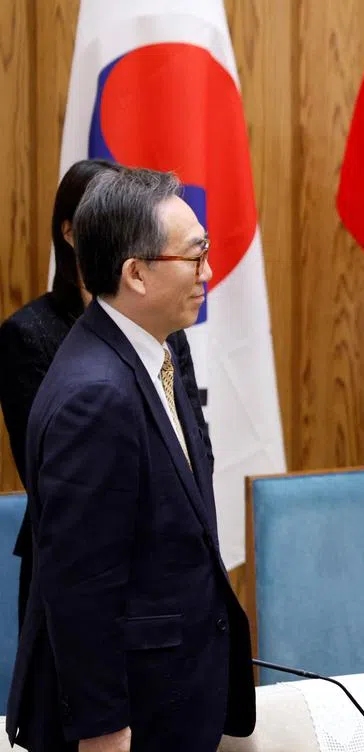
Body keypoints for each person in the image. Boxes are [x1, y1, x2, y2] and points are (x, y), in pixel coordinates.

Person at [5, 167, 253, 752]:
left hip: (173, 694)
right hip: (128, 723)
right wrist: (103, 727)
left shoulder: (155, 349)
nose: (209, 274)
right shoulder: (96, 392)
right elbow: (80, 581)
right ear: (135, 273)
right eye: (194, 259)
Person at [0, 159, 209, 629]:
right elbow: (57, 479)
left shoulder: (164, 325)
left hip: (170, 588)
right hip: (100, 583)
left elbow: (196, 445)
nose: (205, 272)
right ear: (74, 232)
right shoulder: (40, 341)